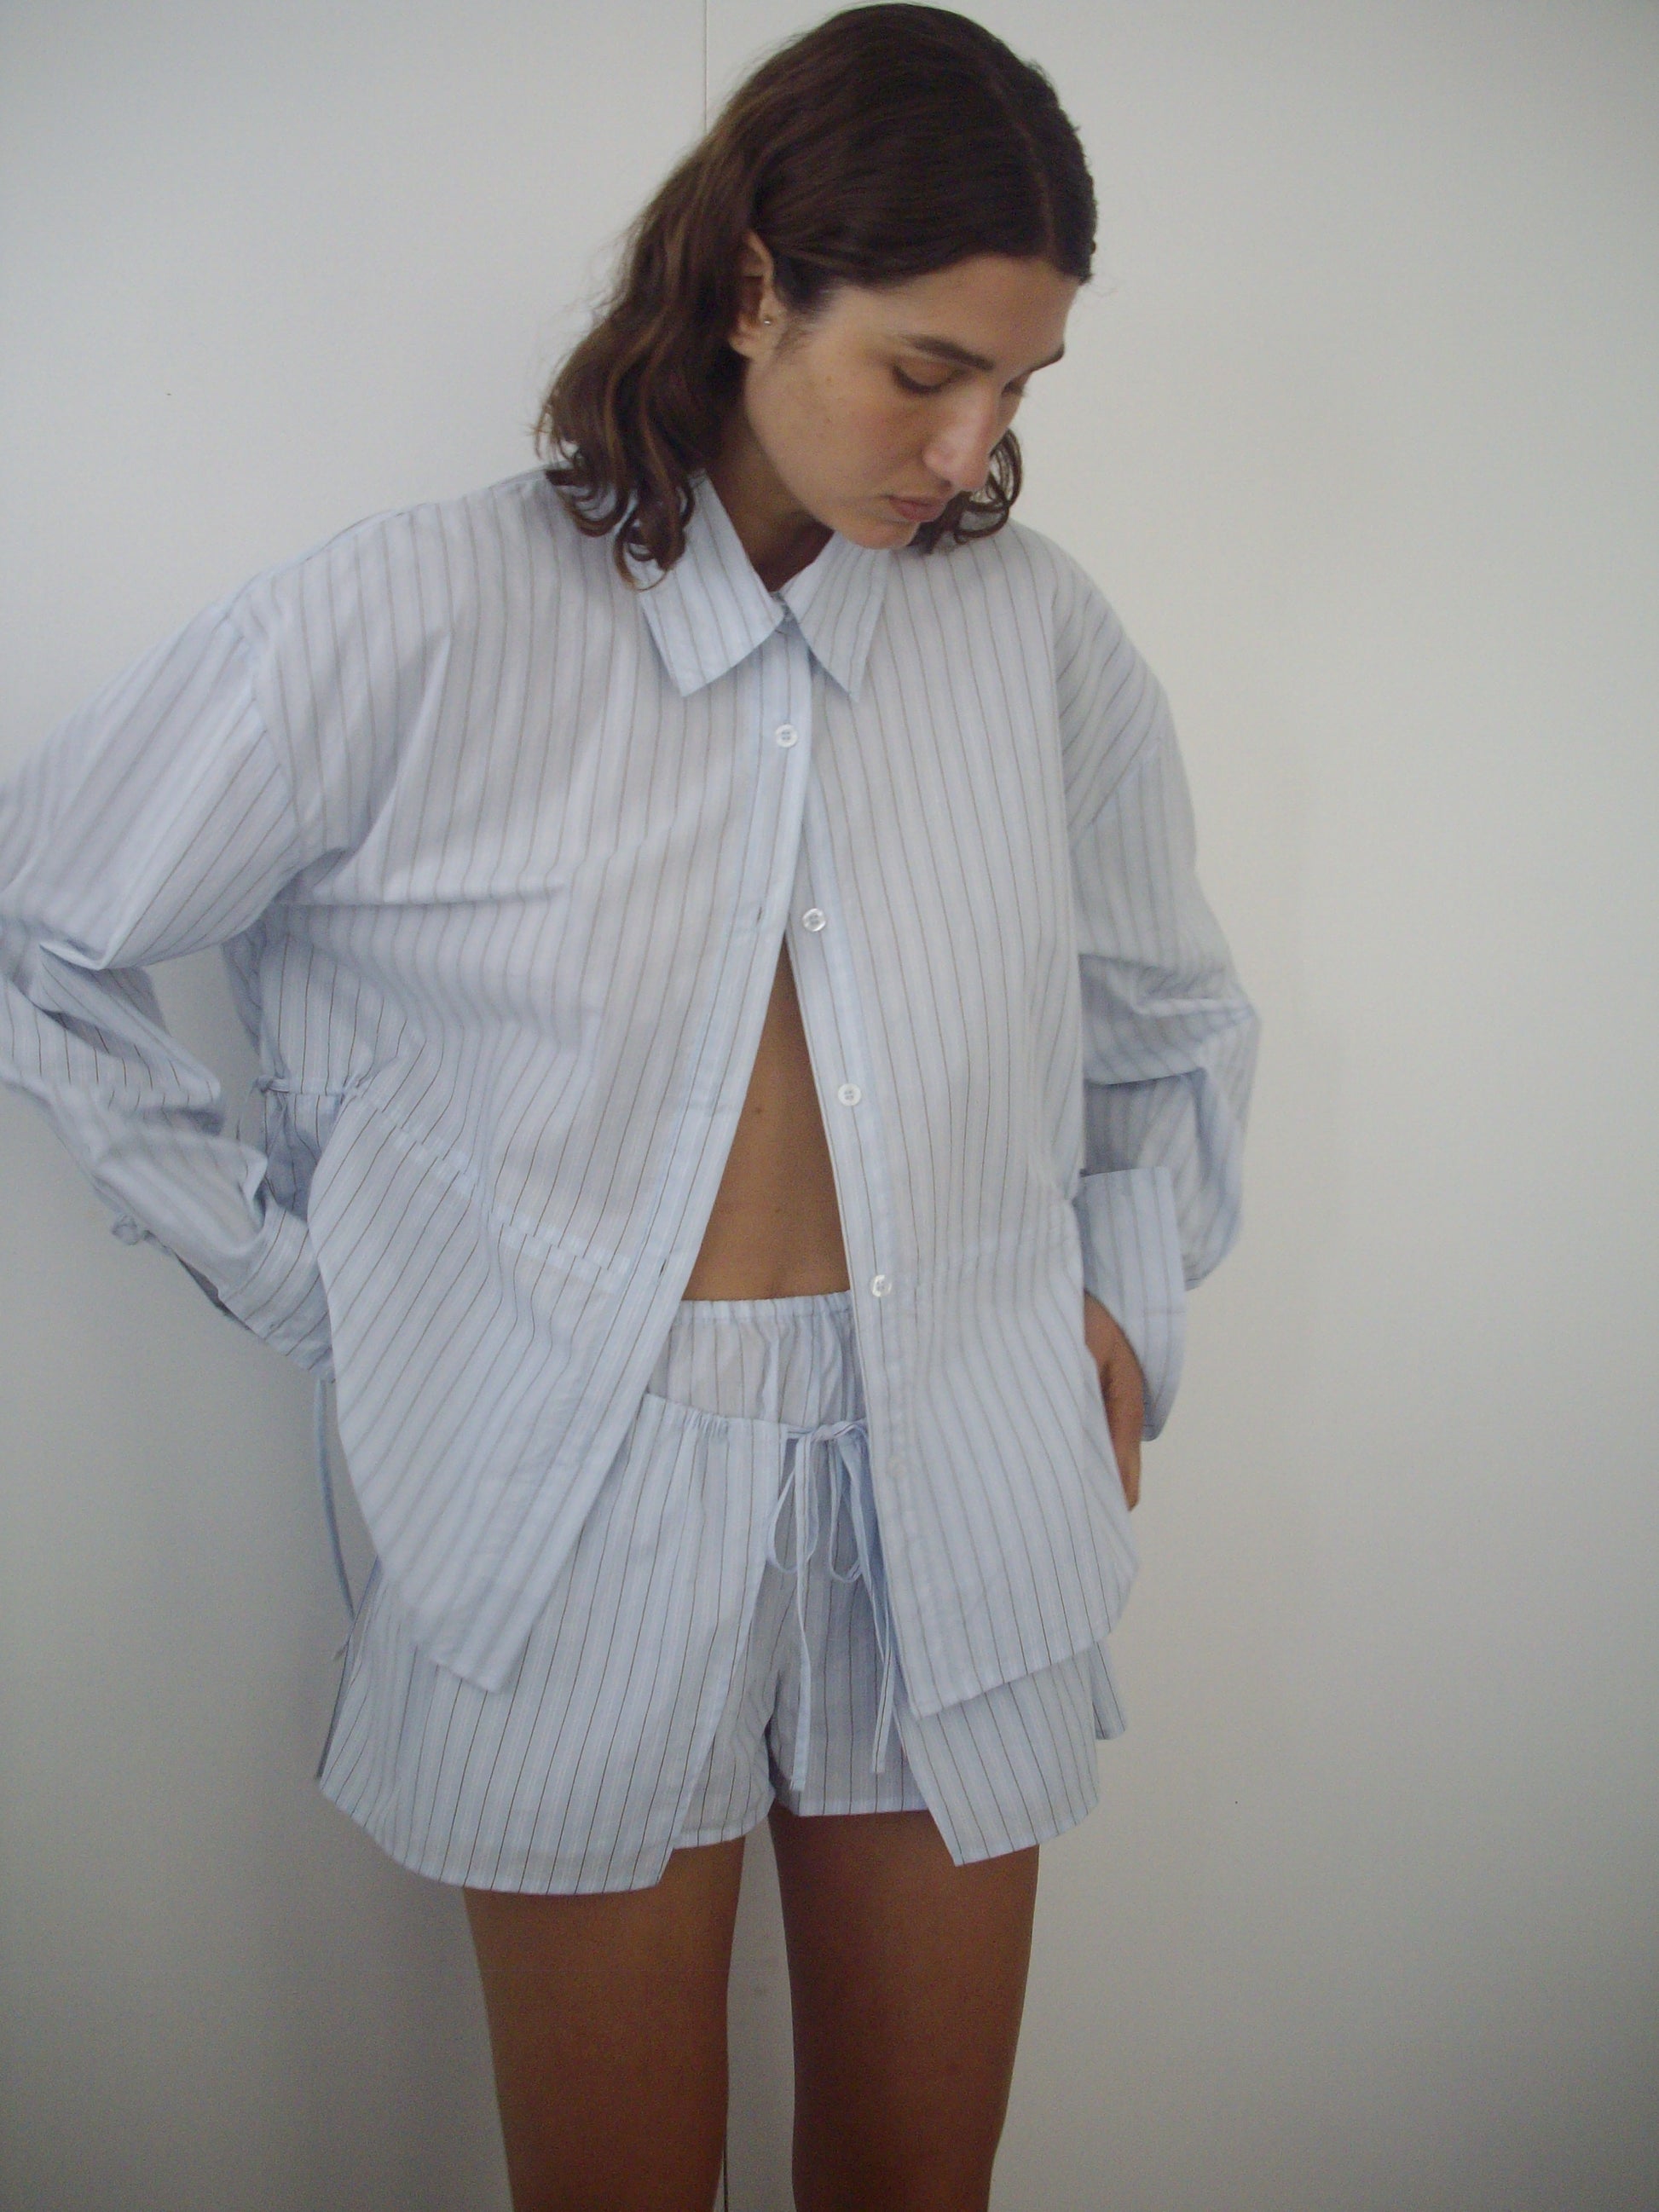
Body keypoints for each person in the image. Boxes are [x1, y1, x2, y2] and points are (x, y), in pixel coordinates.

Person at [0, 6, 1258, 2207]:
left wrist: (1121, 1296)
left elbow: (1166, 1020)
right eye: (924, 368)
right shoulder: (416, 616)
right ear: (756, 283)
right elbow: (47, 926)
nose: (968, 447)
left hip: (960, 1459)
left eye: (1017, 386)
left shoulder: (1037, 641)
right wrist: (319, 1285)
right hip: (568, 1486)